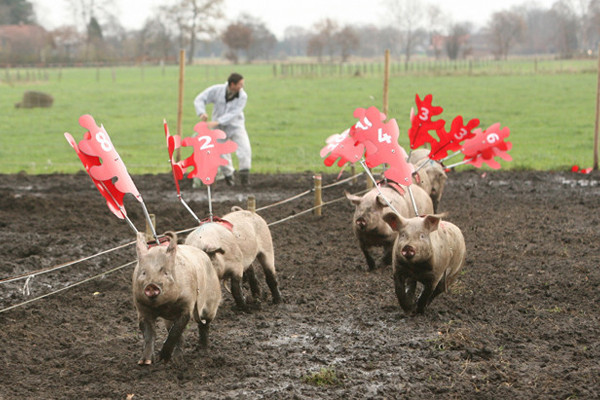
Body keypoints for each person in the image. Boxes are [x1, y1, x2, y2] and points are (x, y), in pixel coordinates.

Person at [193, 72, 251, 186]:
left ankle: (245, 180)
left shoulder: (243, 96)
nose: (242, 87)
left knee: (245, 150)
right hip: (218, 128)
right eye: (240, 84)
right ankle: (229, 178)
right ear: (232, 84)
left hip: (236, 126)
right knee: (220, 153)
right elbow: (200, 99)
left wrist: (217, 121)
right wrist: (201, 113)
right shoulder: (217, 90)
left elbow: (234, 113)